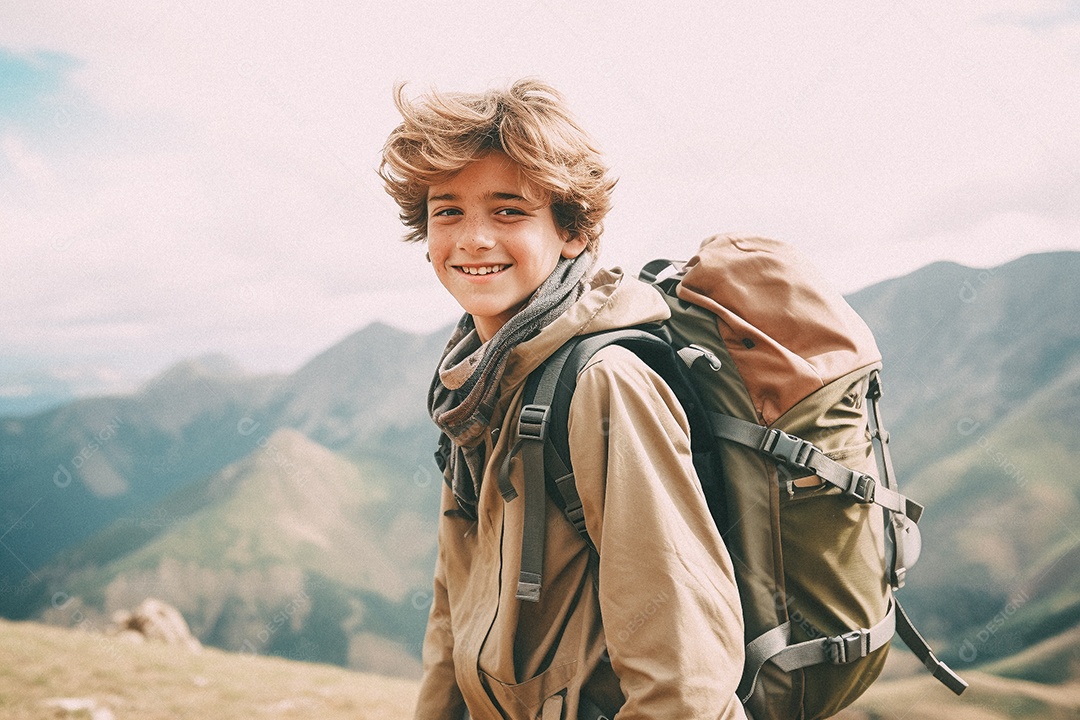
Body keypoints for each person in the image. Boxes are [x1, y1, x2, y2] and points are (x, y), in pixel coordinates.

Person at [379, 78, 746, 720]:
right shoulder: (475, 383)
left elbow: (686, 671)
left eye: (509, 210)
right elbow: (453, 610)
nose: (473, 238)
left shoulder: (603, 384)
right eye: (448, 211)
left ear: (573, 232)